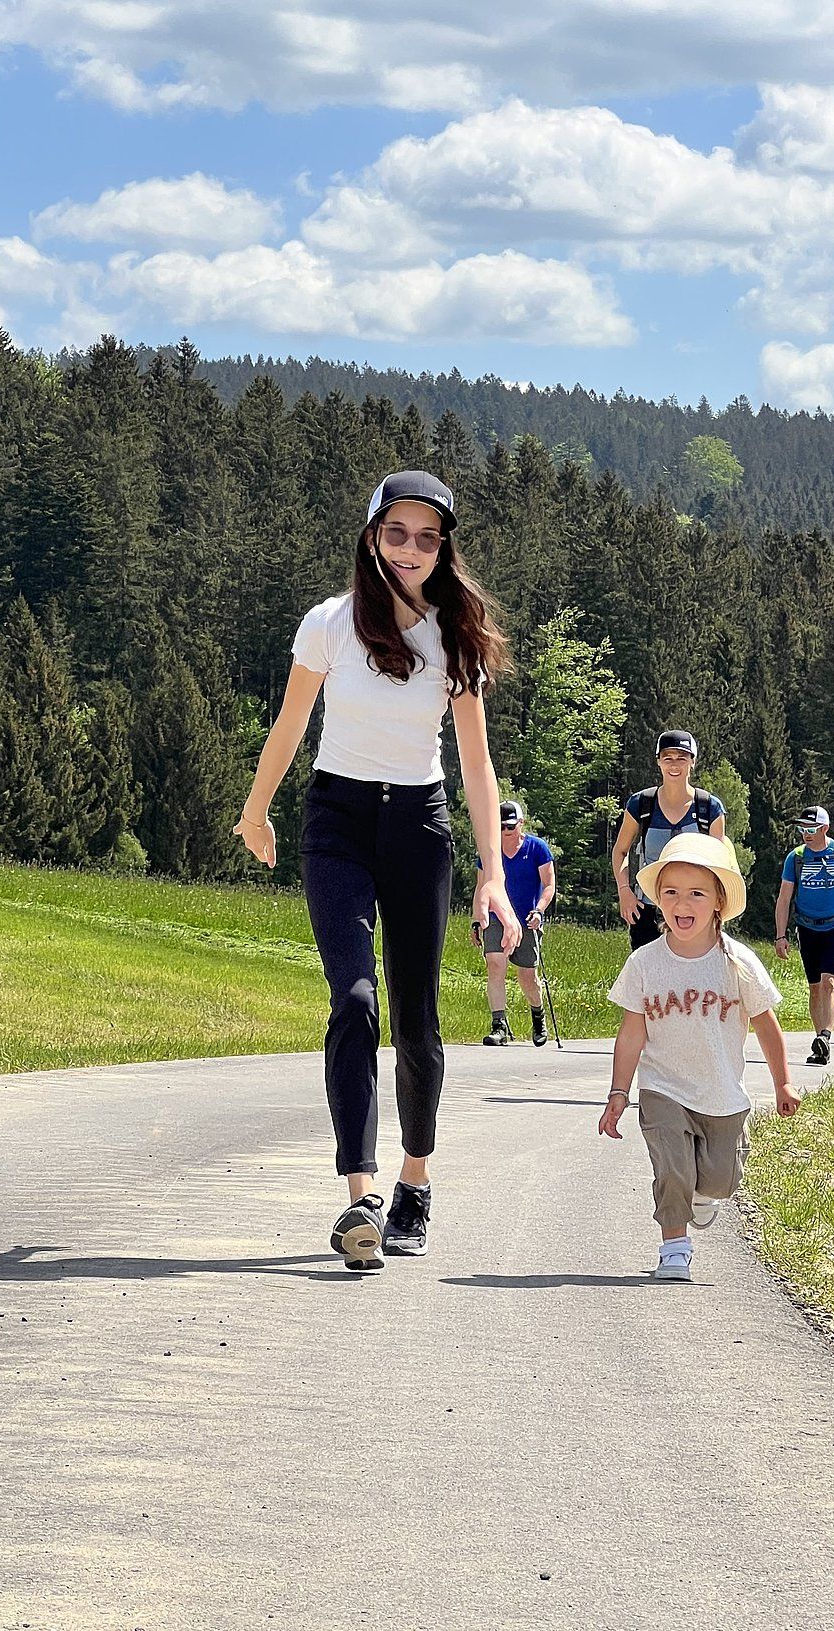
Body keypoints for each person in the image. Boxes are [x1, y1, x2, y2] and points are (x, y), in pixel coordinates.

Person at [234, 470, 519, 1270]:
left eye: (428, 538)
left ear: (442, 549)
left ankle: (414, 1182)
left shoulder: (452, 636)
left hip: (420, 828)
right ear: (371, 536)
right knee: (354, 998)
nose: (412, 550)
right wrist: (256, 810)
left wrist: (492, 872)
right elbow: (291, 724)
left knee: (418, 1019)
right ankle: (359, 1195)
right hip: (338, 821)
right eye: (398, 533)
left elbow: (475, 762)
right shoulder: (328, 624)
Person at [599, 833, 801, 1281]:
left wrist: (783, 1081)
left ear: (717, 902)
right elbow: (632, 1032)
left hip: (722, 1094)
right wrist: (619, 1091)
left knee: (719, 1181)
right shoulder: (645, 963)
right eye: (670, 892)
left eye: (696, 893)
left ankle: (701, 1195)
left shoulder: (739, 963)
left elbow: (767, 1025)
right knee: (671, 1168)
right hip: (663, 1089)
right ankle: (674, 1247)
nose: (681, 903)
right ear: (658, 902)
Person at [611, 730, 725, 949]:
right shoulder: (641, 804)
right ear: (659, 762)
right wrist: (624, 891)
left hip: (694, 913)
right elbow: (620, 851)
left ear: (693, 762)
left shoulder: (709, 808)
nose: (675, 765)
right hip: (648, 910)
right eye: (668, 758)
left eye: (682, 758)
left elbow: (718, 864)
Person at [774, 806, 834, 1065]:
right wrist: (781, 936)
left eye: (811, 829)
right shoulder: (796, 858)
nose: (806, 834)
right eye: (802, 829)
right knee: (814, 987)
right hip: (806, 927)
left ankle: (826, 1035)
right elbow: (784, 898)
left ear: (825, 828)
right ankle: (819, 1044)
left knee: (829, 982)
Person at [474, 800, 555, 1047]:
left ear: (521, 824)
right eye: (500, 827)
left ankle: (538, 1017)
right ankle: (499, 1025)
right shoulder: (490, 853)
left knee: (527, 976)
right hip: (497, 917)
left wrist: (539, 911)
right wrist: (477, 920)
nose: (506, 831)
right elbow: (481, 887)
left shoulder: (537, 848)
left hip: (526, 919)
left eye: (510, 826)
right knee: (495, 966)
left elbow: (549, 885)